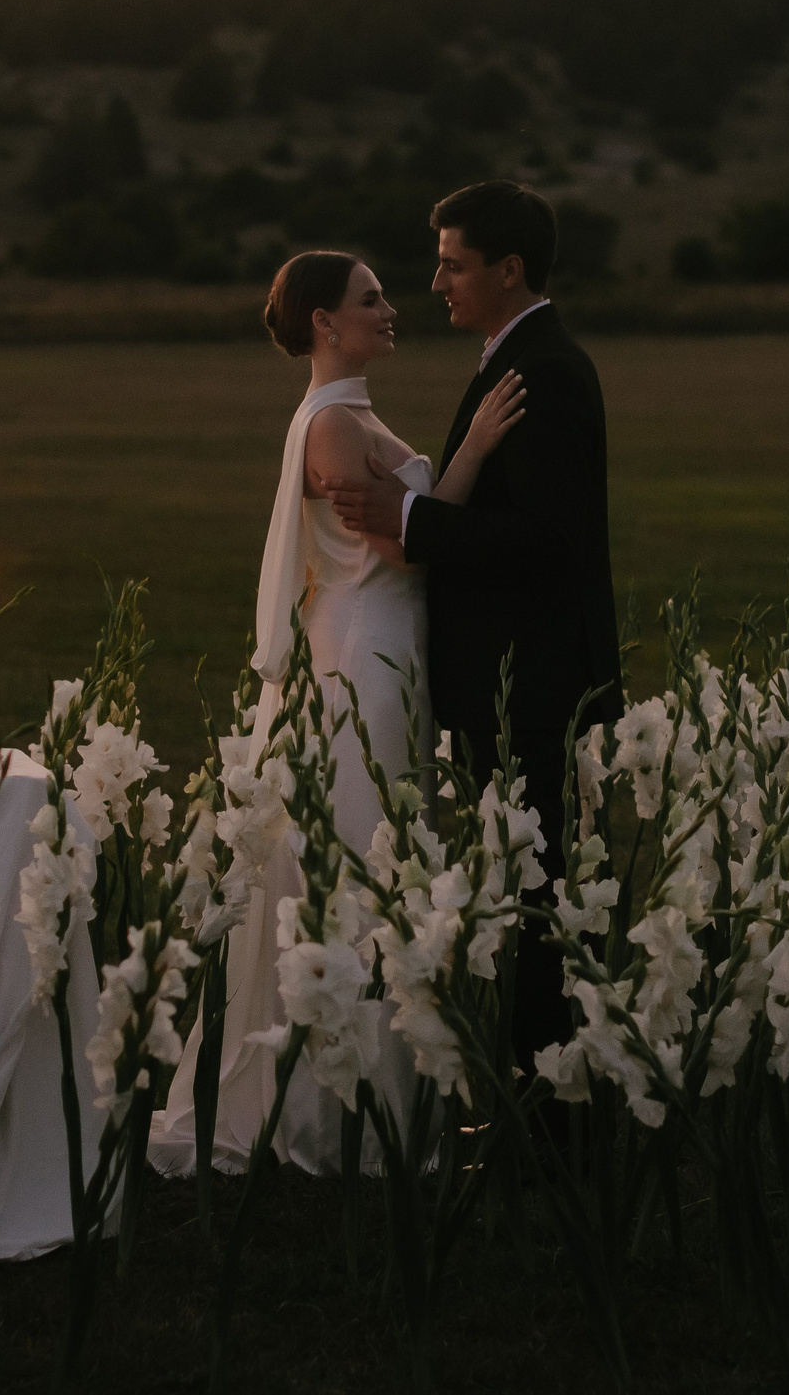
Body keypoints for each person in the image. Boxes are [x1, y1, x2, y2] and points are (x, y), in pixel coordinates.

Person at [148, 249, 524, 1175]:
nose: (391, 307)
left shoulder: (352, 411)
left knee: (380, 851)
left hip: (382, 652)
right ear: (324, 320)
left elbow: (408, 525)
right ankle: (343, 1107)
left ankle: (384, 1096)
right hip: (363, 657)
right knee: (365, 855)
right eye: (370, 298)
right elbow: (405, 553)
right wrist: (472, 447)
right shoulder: (334, 431)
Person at [325, 180, 622, 1062]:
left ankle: (546, 1099)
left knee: (536, 897)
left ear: (510, 268)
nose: (436, 282)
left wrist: (409, 519)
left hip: (530, 680)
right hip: (513, 677)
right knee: (521, 887)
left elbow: (544, 540)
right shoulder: (515, 358)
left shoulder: (546, 372)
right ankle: (537, 1081)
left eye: (453, 265)